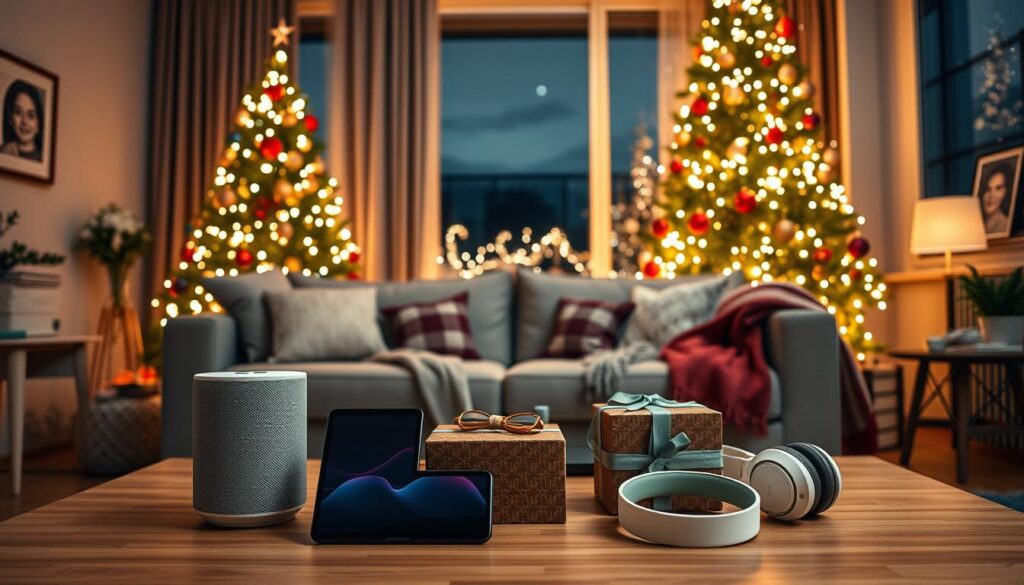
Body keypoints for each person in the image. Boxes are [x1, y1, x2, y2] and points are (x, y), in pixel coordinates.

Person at [1, 80, 44, 161]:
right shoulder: (2, 152)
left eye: (31, 115)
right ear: (10, 118)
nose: (24, 121)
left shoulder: (43, 159)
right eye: (18, 112)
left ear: (39, 124)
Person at [979, 159, 1015, 235]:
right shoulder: (975, 227)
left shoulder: (1006, 224)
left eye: (998, 188)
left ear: (1005, 193)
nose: (991, 195)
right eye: (988, 189)